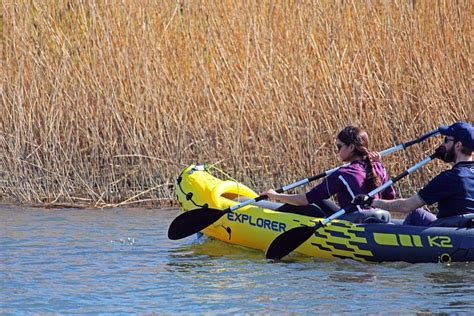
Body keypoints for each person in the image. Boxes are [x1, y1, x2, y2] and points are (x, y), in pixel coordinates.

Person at [262, 126, 395, 222]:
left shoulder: (342, 174)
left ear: (351, 147)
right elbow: (390, 197)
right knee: (319, 199)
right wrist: (380, 165)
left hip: (355, 222)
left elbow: (304, 200)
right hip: (379, 217)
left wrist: (275, 195)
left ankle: (264, 223)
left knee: (301, 207)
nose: (337, 151)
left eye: (339, 147)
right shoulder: (378, 167)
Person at [352, 121, 474, 226]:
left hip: (449, 231)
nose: (443, 145)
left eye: (446, 140)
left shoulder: (449, 178)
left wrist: (371, 201)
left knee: (416, 214)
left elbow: (407, 206)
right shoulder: (465, 175)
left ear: (458, 146)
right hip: (461, 226)